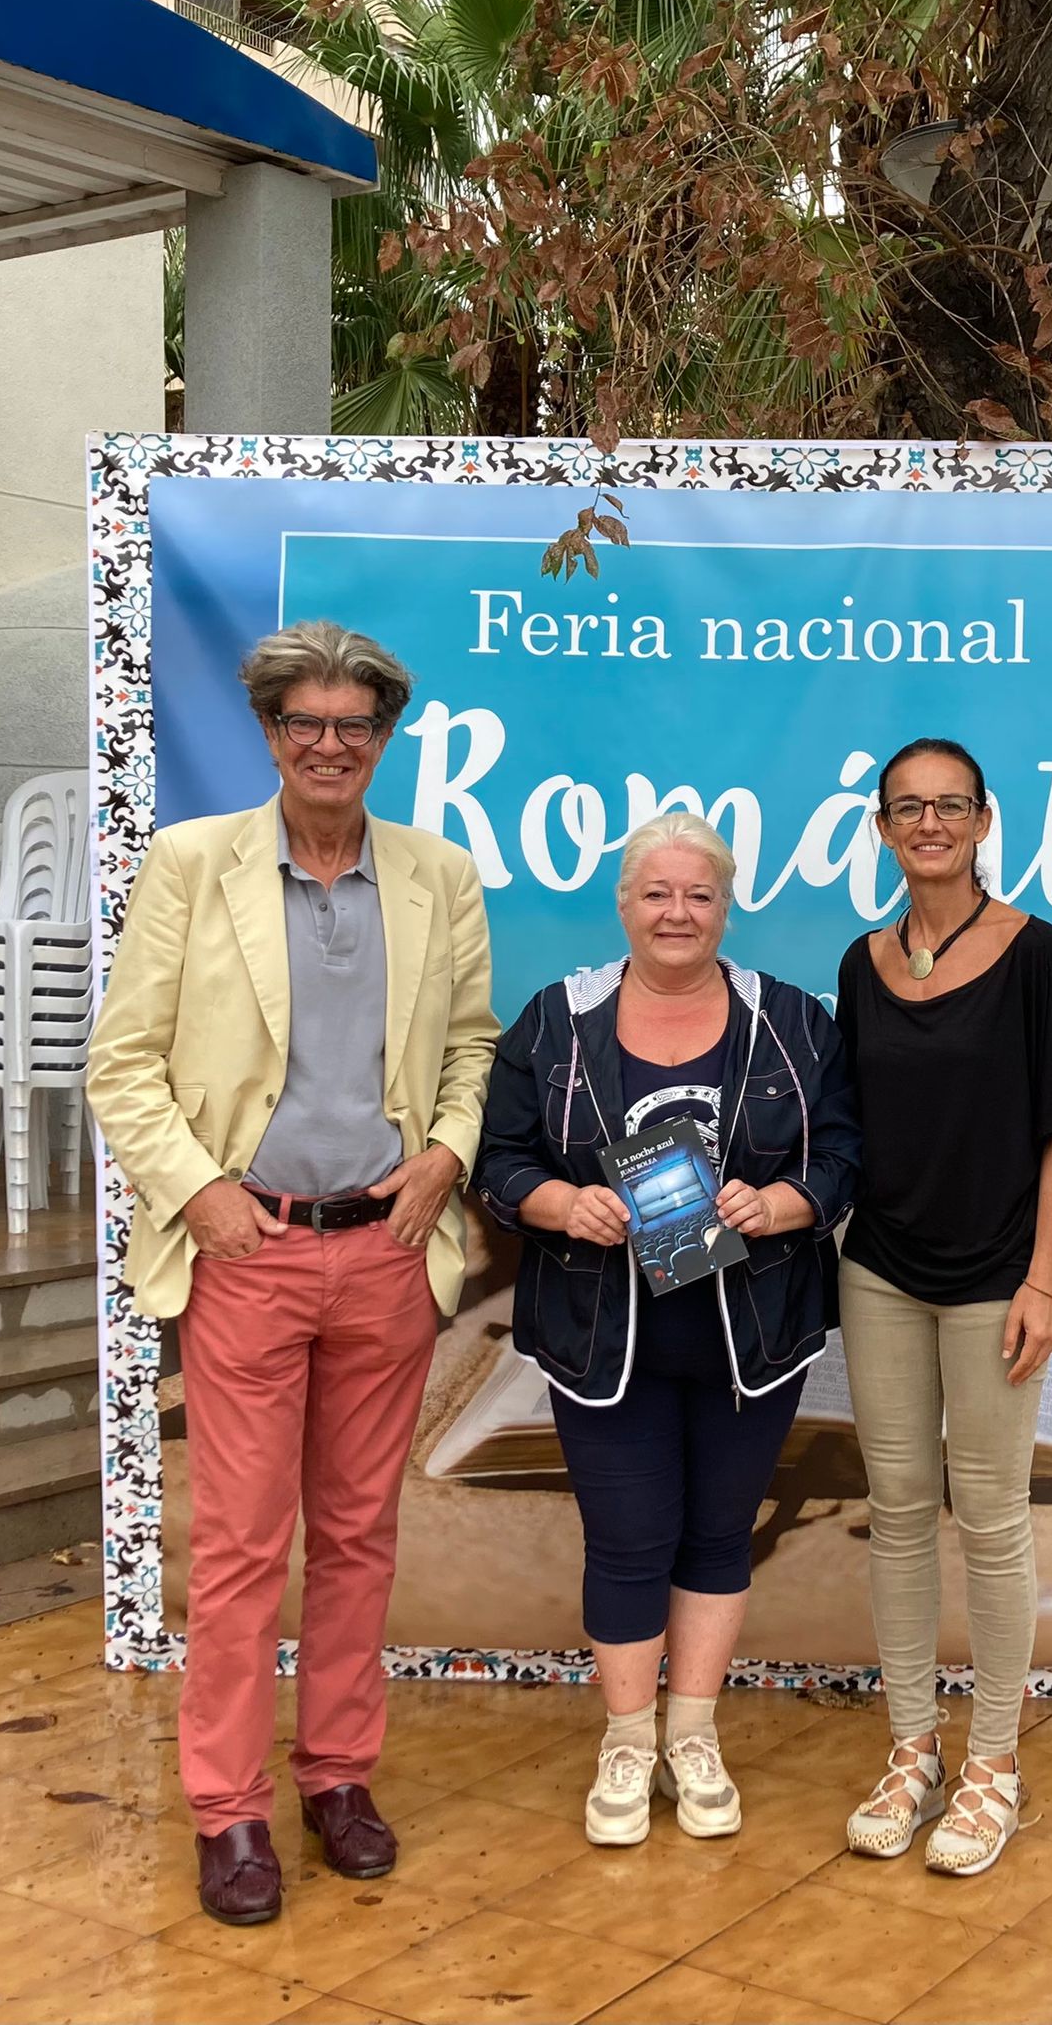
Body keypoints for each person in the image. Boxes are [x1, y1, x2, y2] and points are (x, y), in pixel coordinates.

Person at [86, 622, 497, 1927]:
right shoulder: (192, 865)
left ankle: (336, 1778)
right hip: (247, 1253)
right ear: (270, 735)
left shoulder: (438, 874)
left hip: (382, 1252)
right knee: (246, 1546)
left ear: (385, 740)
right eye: (305, 724)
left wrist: (443, 1155)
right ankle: (228, 1810)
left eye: (354, 727)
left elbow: (473, 1046)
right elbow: (123, 1063)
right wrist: (202, 1194)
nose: (329, 745)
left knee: (362, 1538)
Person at [474, 812, 859, 1848]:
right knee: (628, 1538)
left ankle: (694, 1733)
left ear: (725, 906)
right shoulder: (556, 1019)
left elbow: (843, 1156)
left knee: (715, 1534)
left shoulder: (790, 1021)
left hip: (750, 1334)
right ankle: (627, 1737)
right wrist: (560, 1204)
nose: (676, 912)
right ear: (624, 903)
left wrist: (782, 1206)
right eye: (656, 892)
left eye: (698, 894)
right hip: (603, 1336)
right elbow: (495, 1156)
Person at [837, 737, 1052, 1876]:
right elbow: (844, 1128)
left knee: (989, 1515)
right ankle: (910, 1747)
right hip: (879, 1268)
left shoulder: (1034, 951)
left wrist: (1043, 1276)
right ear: (883, 827)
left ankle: (992, 1762)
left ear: (984, 820)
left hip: (997, 1277)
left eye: (950, 805)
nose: (929, 822)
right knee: (896, 1507)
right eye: (907, 807)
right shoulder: (859, 962)